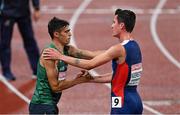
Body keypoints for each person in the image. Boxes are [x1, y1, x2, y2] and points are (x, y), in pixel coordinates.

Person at [43, 9, 143, 114]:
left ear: (121, 25)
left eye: (114, 22)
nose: (111, 26)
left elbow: (89, 64)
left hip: (121, 101)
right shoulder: (134, 46)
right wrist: (90, 79)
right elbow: (119, 76)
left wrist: (61, 56)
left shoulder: (118, 49)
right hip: (135, 101)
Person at [29, 17, 95, 114]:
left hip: (51, 104)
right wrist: (79, 80)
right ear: (56, 34)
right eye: (66, 32)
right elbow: (55, 86)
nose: (70, 34)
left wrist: (119, 51)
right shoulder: (49, 54)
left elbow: (93, 55)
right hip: (42, 105)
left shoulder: (68, 50)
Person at [0, 0, 40, 80]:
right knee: (5, 43)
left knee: (30, 41)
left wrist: (36, 8)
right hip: (7, 13)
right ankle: (6, 71)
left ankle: (37, 70)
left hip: (24, 13)